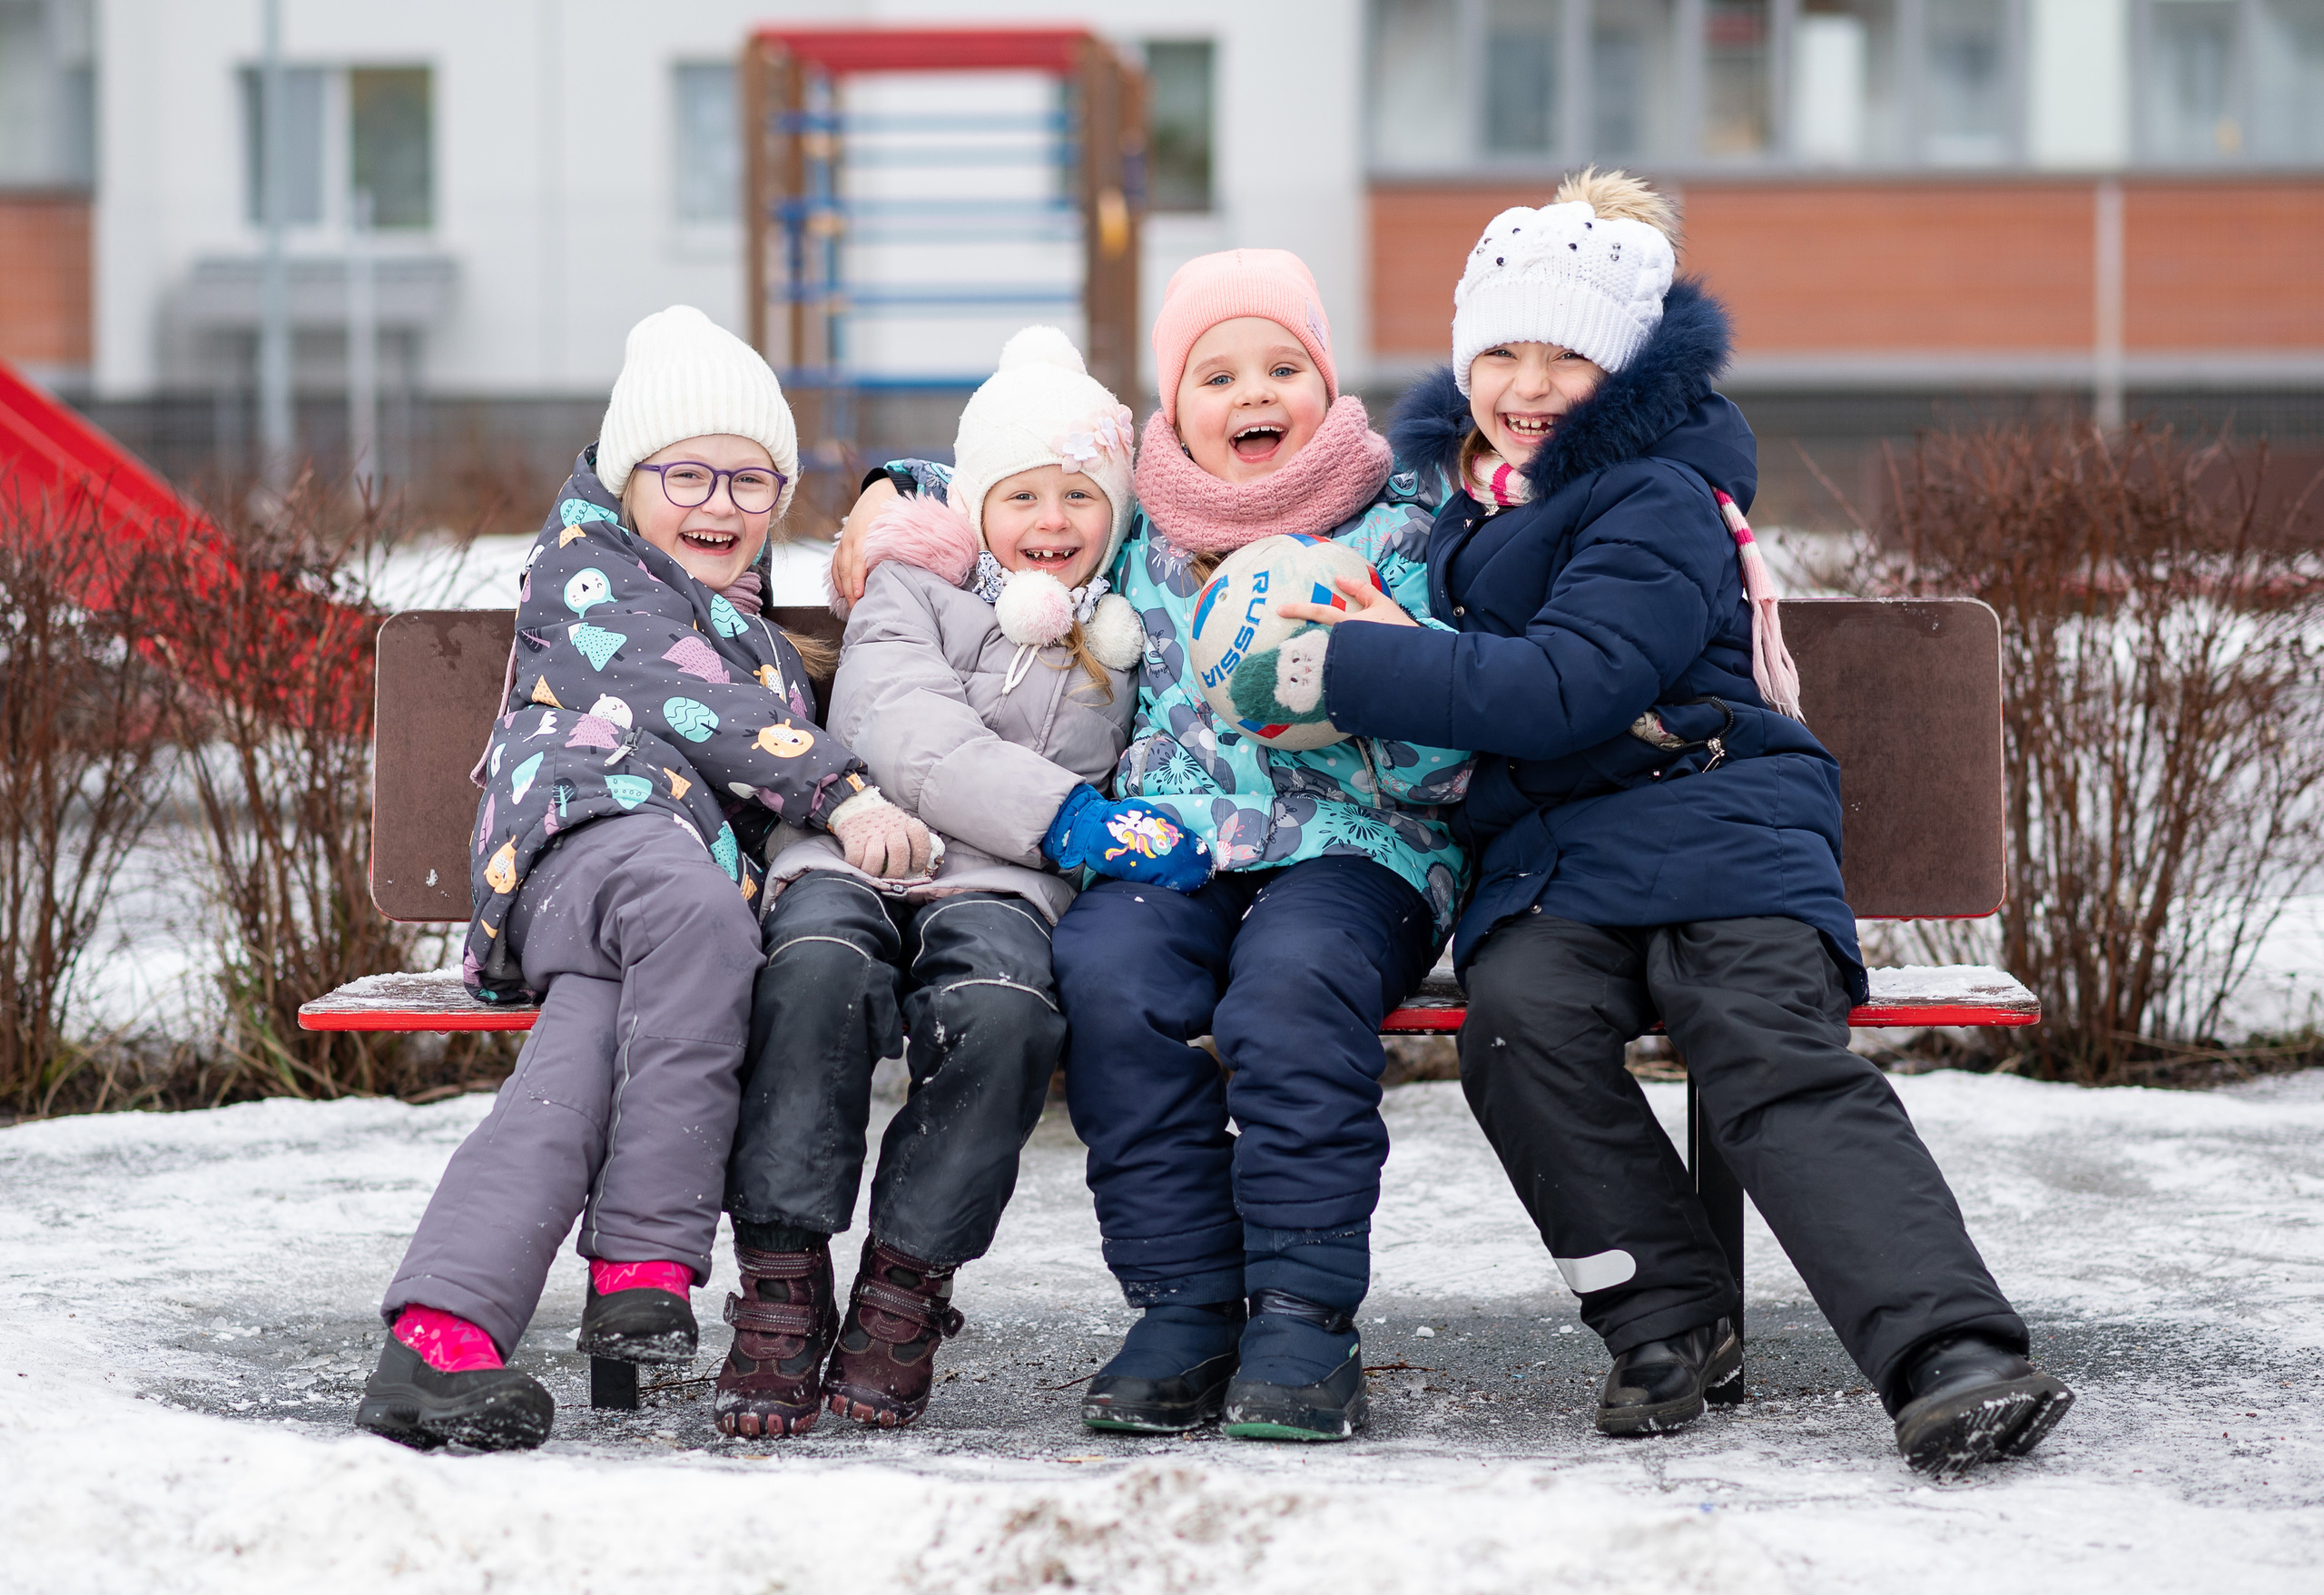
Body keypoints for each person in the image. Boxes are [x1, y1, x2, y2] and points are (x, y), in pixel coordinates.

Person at [1244, 170, 2073, 1472]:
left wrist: (1350, 664)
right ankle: (1665, 1317)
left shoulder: (1657, 495)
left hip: (1721, 821)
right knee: (1518, 1030)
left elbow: (1568, 685)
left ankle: (1949, 1350)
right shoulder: (1467, 512)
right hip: (1557, 863)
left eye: (1565, 357)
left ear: (1624, 370)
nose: (1526, 385)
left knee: (1766, 1054)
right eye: (1498, 354)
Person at [830, 252, 1472, 1443]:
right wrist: (892, 489)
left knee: (1288, 995)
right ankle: (1184, 1307)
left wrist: (1390, 660)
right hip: (1172, 845)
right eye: (1216, 375)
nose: (1252, 393)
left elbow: (1451, 760)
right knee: (1111, 979)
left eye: (1282, 367)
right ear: (1172, 407)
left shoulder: (1397, 530)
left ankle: (1303, 1319)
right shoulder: (1139, 530)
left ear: (1326, 385)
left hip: (1356, 850)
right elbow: (1026, 486)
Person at [356, 306, 934, 1452]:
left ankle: (434, 1342)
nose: (720, 504)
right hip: (584, 846)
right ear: (627, 481)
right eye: (686, 475)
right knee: (700, 920)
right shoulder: (589, 571)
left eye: (753, 480)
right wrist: (842, 792)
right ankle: (642, 1267)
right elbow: (694, 706)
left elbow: (1001, 488)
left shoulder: (744, 617)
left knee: (581, 1058)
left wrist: (891, 488)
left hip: (626, 921)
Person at [713, 327, 1199, 1438]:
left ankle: (905, 1283)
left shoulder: (1125, 629)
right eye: (1020, 495)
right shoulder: (910, 589)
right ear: (975, 506)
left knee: (1005, 1012)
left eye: (1080, 496)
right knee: (813, 975)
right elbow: (900, 725)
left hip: (1006, 887)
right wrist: (1067, 816)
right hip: (854, 849)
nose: (1050, 521)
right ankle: (781, 1274)